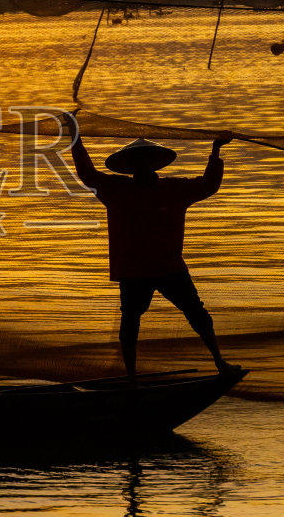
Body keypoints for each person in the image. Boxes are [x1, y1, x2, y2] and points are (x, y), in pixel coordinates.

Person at [68, 124, 240, 386]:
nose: (143, 166)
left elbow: (209, 185)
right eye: (138, 161)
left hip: (169, 267)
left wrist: (215, 151)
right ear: (130, 166)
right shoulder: (115, 189)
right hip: (134, 271)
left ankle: (220, 363)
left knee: (198, 314)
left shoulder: (174, 189)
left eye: (147, 160)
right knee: (130, 325)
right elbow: (87, 173)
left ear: (155, 164)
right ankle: (133, 379)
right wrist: (75, 136)